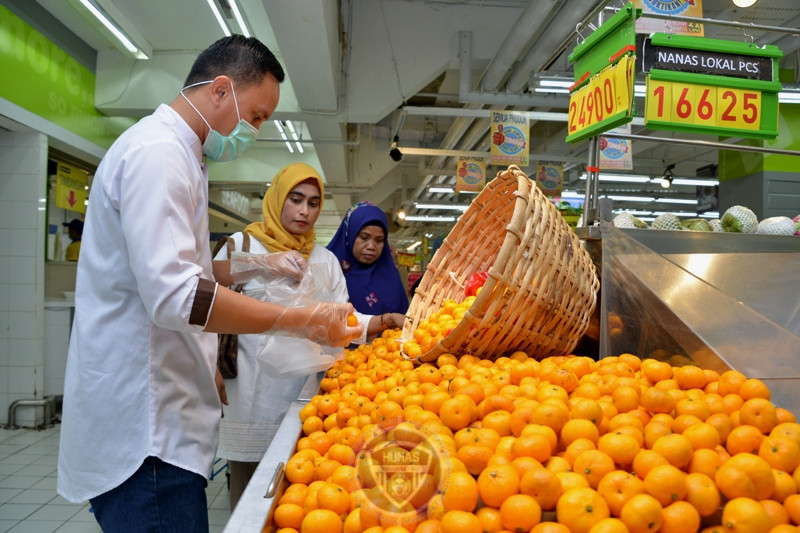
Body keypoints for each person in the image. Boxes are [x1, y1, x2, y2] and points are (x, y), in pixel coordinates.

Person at [56, 36, 362, 533]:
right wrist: (300, 319)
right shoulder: (159, 155)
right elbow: (179, 297)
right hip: (148, 430)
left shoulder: (183, 156)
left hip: (165, 411)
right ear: (221, 90)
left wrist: (249, 268)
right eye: (257, 117)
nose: (254, 132)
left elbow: (180, 271)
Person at [214, 162, 377, 510]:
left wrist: (378, 322)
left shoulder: (325, 259)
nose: (304, 211)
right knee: (248, 494)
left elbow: (342, 318)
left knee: (301, 491)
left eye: (313, 202)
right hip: (251, 391)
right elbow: (203, 306)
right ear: (276, 198)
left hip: (308, 397)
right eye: (296, 199)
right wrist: (205, 366)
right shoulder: (244, 246)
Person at [327, 201, 409, 321]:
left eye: (379, 240)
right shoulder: (329, 270)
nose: (371, 246)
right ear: (350, 235)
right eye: (364, 237)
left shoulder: (390, 276)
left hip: (387, 340)